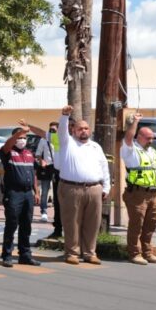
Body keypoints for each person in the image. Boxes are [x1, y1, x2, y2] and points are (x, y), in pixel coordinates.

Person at [57, 106, 110, 265]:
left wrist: (106, 187)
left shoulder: (95, 147)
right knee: (72, 222)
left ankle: (89, 253)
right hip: (72, 188)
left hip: (94, 189)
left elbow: (104, 167)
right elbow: (61, 132)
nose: (84, 131)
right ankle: (72, 252)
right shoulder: (67, 143)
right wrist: (65, 116)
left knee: (93, 223)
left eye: (86, 128)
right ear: (73, 130)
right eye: (80, 129)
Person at [120, 112, 156, 265]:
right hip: (137, 194)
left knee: (151, 224)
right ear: (139, 136)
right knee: (136, 224)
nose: (151, 140)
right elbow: (128, 138)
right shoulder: (131, 150)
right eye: (148, 138)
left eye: (152, 138)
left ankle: (147, 253)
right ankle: (134, 253)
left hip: (153, 194)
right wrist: (134, 123)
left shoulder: (152, 151)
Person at [0, 125, 41, 267]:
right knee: (11, 224)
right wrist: (18, 133)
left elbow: (33, 173)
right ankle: (7, 255)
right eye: (19, 137)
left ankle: (25, 254)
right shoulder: (7, 152)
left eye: (24, 137)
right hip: (13, 193)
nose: (22, 140)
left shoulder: (29, 154)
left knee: (26, 224)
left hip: (27, 193)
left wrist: (36, 191)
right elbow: (7, 145)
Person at [34, 121, 58, 222]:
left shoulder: (61, 140)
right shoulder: (44, 140)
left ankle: (58, 214)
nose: (51, 131)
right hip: (47, 167)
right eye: (50, 129)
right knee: (44, 191)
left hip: (57, 168)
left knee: (58, 192)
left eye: (54, 130)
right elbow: (38, 154)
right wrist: (41, 160)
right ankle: (44, 211)